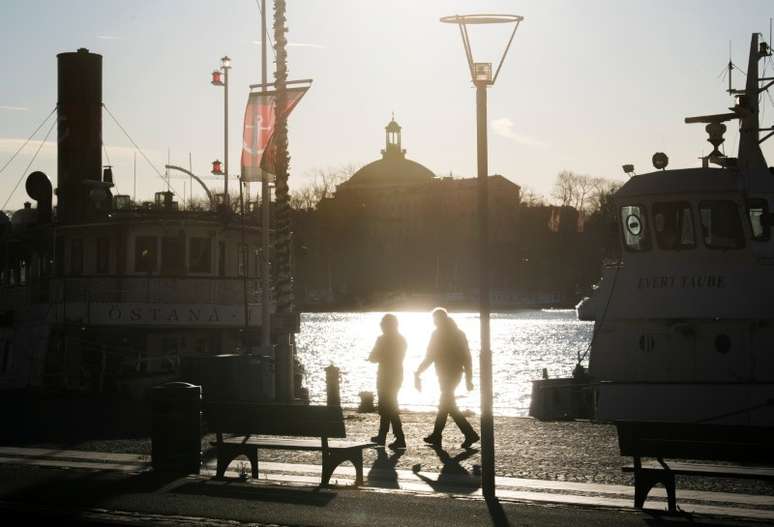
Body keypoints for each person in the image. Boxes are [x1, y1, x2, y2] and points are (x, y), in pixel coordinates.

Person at [415, 307, 480, 449]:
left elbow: (430, 356)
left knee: (446, 404)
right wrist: (468, 377)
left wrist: (418, 372)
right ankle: (444, 435)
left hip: (450, 374)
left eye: (435, 320)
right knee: (447, 405)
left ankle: (465, 434)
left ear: (439, 319)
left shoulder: (445, 334)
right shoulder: (455, 333)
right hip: (449, 374)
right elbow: (466, 357)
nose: (434, 322)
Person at [367, 313, 406, 449]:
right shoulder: (401, 339)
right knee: (389, 406)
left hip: (384, 376)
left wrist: (376, 356)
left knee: (387, 407)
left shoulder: (382, 339)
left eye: (382, 324)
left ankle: (397, 437)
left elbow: (373, 357)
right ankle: (385, 436)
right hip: (397, 375)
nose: (381, 327)